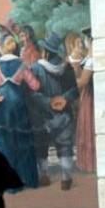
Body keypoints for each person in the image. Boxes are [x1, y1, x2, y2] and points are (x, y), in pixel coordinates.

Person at [0, 31, 40, 188]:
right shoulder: (23, 65)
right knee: (17, 142)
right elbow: (36, 86)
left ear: (2, 49)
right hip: (17, 108)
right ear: (14, 48)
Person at [26, 34, 79, 189]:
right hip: (64, 116)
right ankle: (66, 179)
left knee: (41, 147)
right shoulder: (67, 67)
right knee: (65, 146)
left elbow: (32, 94)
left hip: (43, 116)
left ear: (46, 52)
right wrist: (65, 99)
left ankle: (43, 176)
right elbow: (74, 90)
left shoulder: (35, 68)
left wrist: (48, 102)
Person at [71, 31, 97, 175]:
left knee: (89, 126)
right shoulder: (89, 57)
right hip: (90, 95)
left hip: (90, 96)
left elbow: (83, 82)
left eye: (87, 40)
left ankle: (90, 163)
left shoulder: (92, 59)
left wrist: (71, 82)